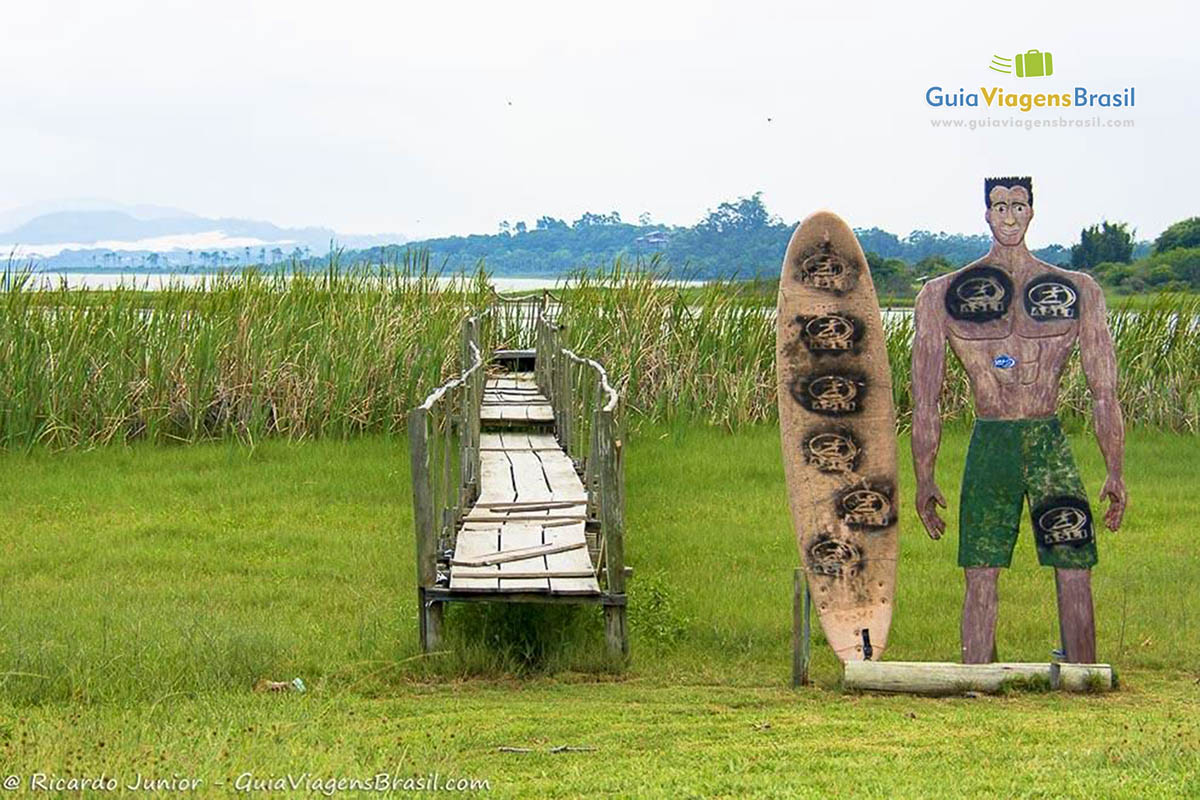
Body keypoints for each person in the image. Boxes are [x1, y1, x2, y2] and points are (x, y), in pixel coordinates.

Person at [910, 176, 1127, 663]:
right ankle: (977, 669)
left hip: (1047, 438)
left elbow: (1104, 391)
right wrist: (924, 477)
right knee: (980, 565)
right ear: (986, 215)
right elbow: (926, 398)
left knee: (1073, 559)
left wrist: (1115, 469)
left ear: (1032, 213)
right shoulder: (941, 296)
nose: (1009, 216)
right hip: (991, 441)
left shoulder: (1078, 292)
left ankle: (1082, 666)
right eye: (999, 206)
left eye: (1018, 206)